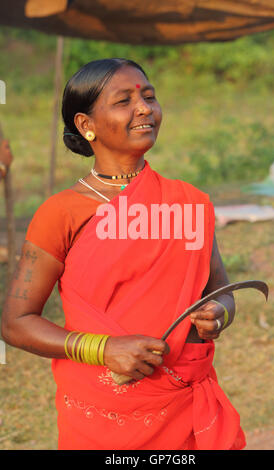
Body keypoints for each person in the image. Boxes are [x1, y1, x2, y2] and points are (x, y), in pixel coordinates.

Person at [1, 58, 246, 450]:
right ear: (86, 124)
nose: (145, 108)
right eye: (124, 101)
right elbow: (16, 323)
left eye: (149, 97)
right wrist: (104, 349)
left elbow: (222, 291)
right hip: (102, 414)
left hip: (184, 406)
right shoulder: (62, 213)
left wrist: (220, 314)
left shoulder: (188, 202)